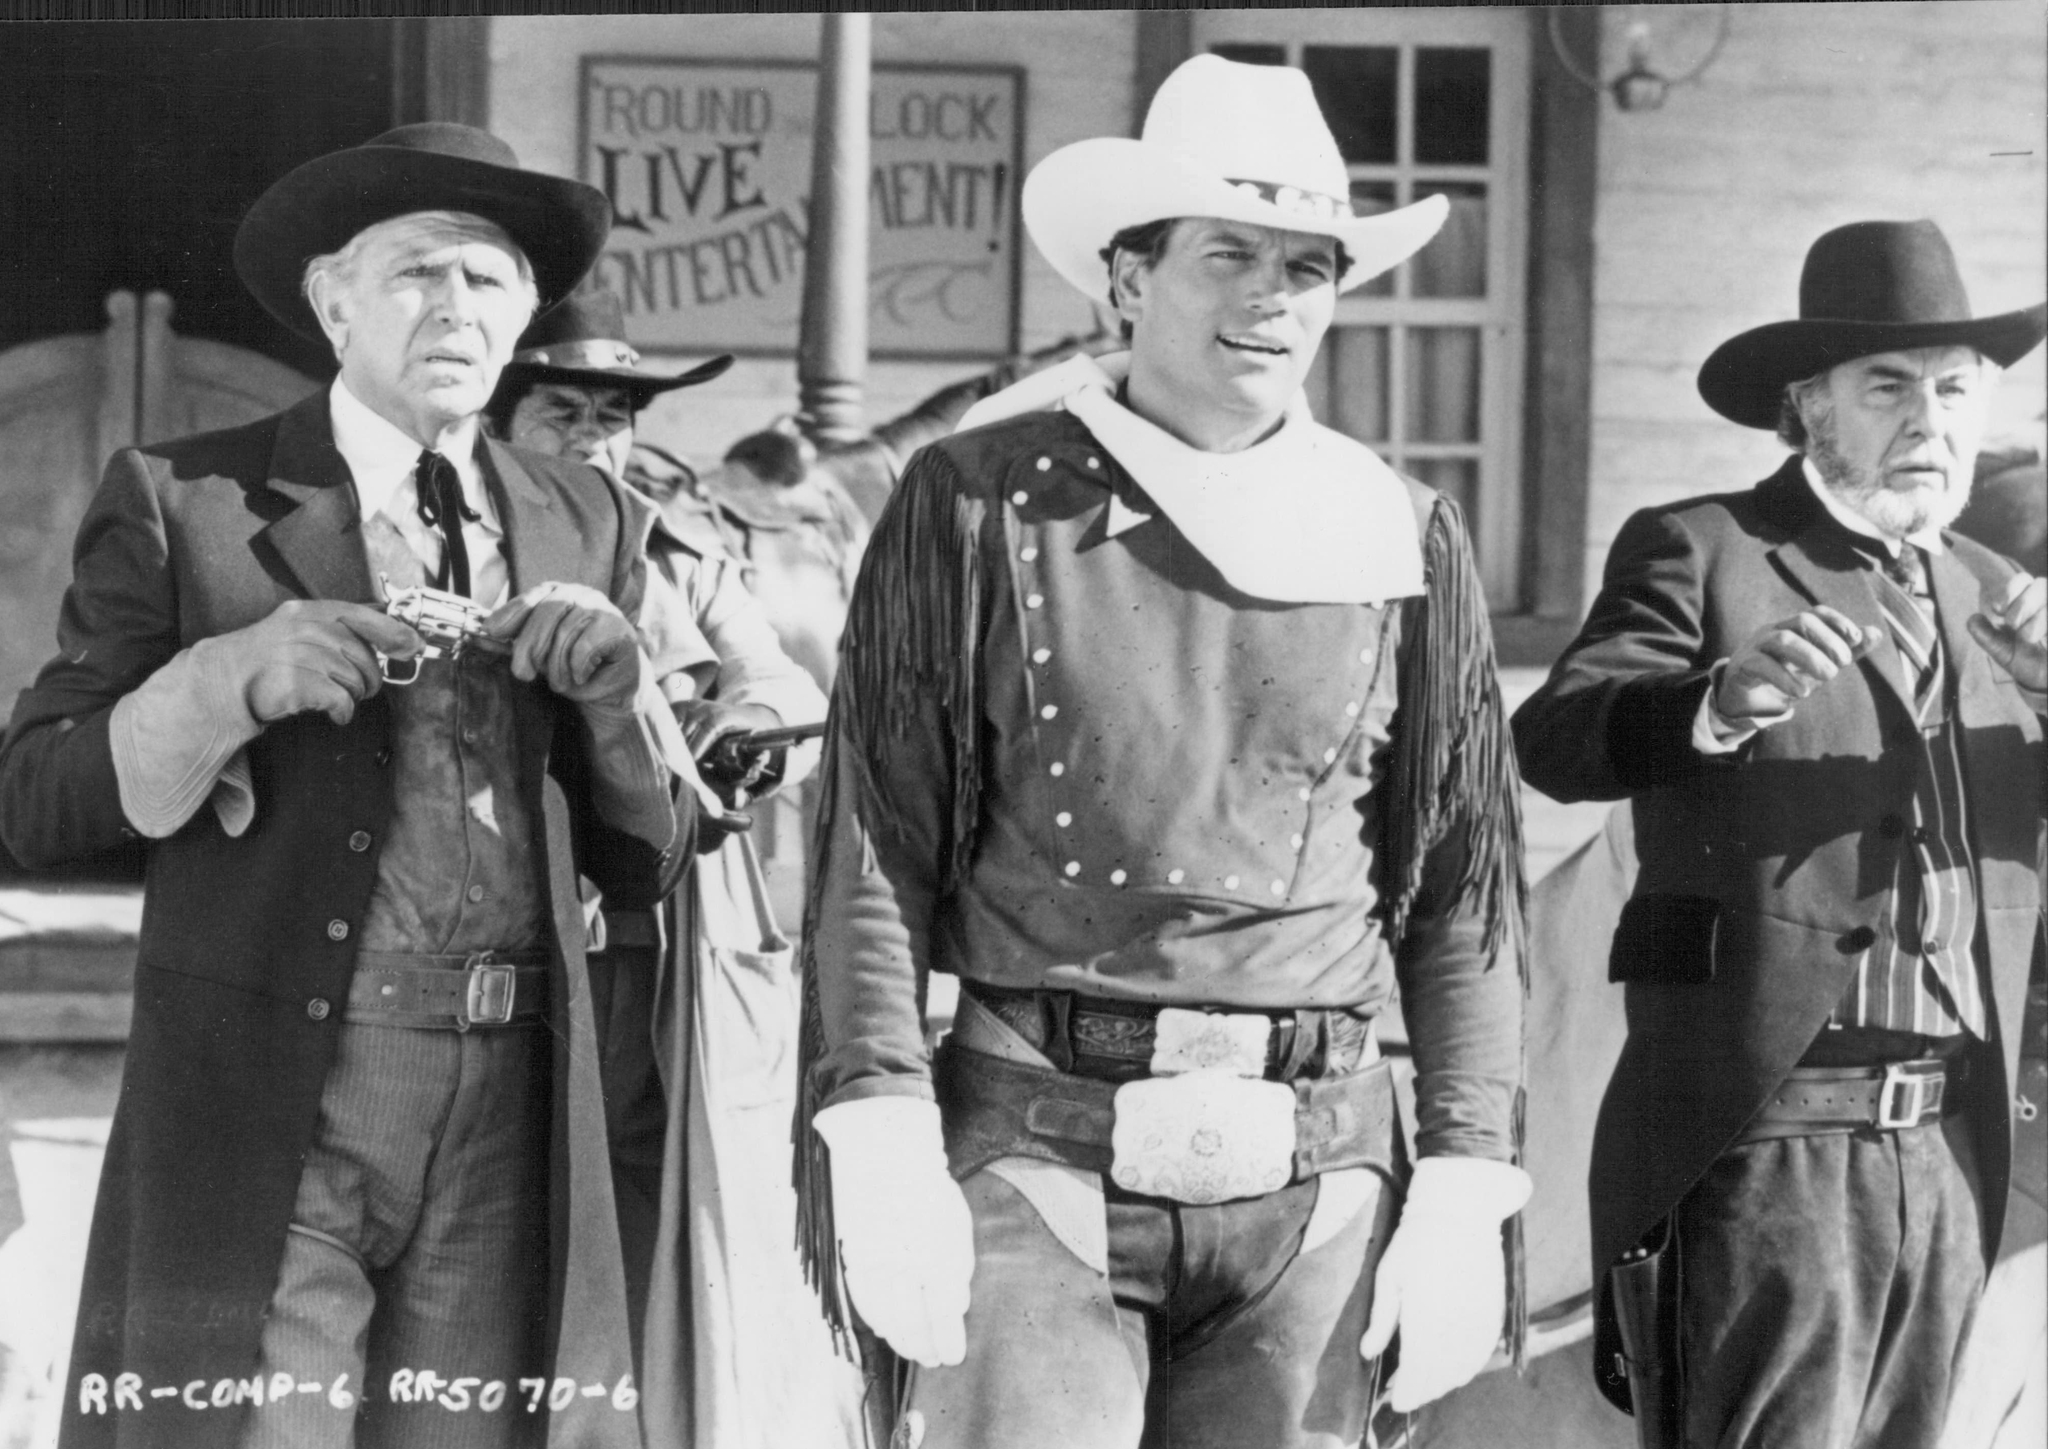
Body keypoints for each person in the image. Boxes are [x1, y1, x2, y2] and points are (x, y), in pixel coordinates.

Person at [794, 54, 1530, 1449]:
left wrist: (1471, 1174)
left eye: (1307, 267)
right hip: (1040, 1146)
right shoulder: (978, 501)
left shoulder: (1402, 533)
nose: (1271, 298)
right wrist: (878, 1121)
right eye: (1228, 255)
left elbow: (1461, 894)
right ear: (1125, 281)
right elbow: (873, 847)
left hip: (1319, 1170)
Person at [0, 124, 696, 1449]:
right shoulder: (188, 502)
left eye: (487, 282)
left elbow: (646, 859)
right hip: (282, 1090)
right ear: (334, 303)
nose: (456, 309)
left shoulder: (587, 520)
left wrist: (616, 701)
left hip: (511, 1101)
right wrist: (223, 682)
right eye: (417, 274)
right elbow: (32, 796)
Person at [1512, 219, 2046, 1448]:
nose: (1931, 420)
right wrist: (1714, 703)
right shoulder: (1703, 550)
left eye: (1955, 389)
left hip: (1955, 1143)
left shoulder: (1988, 589)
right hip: (1768, 1137)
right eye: (1888, 387)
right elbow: (1559, 737)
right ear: (1806, 409)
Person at [482, 290, 853, 1449]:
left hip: (650, 939)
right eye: (561, 411)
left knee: (644, 1184)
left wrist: (729, 731)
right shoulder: (457, 540)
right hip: (490, 920)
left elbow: (783, 683)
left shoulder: (680, 548)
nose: (593, 437)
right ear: (497, 421)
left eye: (613, 415)